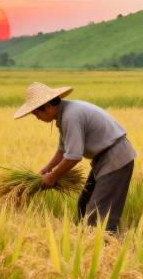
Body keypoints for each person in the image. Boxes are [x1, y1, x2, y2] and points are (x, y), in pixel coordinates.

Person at [13, 82, 136, 231]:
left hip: (115, 158)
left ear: (47, 107)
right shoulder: (65, 113)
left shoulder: (70, 116)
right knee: (84, 205)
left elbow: (74, 156)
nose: (37, 118)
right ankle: (86, 243)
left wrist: (53, 177)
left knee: (99, 215)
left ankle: (106, 250)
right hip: (104, 158)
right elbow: (63, 148)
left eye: (36, 113)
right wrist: (47, 169)